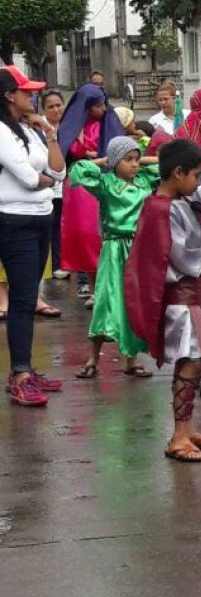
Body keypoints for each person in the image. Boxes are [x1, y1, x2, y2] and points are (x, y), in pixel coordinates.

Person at [124, 139, 201, 462]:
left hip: (190, 296)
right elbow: (182, 258)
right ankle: (179, 435)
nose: (198, 182)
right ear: (178, 172)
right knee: (192, 359)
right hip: (180, 299)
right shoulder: (163, 209)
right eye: (196, 176)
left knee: (193, 359)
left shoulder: (173, 203)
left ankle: (188, 427)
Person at [0, 66, 66, 406]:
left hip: (41, 217)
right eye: (27, 91)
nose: (34, 96)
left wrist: (50, 133)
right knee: (23, 300)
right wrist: (48, 180)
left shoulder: (30, 128)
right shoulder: (0, 130)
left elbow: (59, 170)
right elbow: (28, 178)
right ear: (10, 95)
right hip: (15, 220)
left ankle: (25, 370)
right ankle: (20, 374)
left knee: (28, 295)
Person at [70, 136, 159, 379]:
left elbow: (167, 165)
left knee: (135, 303)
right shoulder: (106, 183)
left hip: (140, 249)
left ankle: (131, 360)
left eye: (136, 159)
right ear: (115, 161)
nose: (134, 165)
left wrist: (142, 158)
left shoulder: (145, 180)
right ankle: (92, 358)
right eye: (127, 160)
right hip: (114, 248)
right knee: (106, 301)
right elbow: (77, 172)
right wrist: (104, 161)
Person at [59, 83, 125, 303]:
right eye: (99, 105)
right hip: (77, 188)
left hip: (101, 184)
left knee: (101, 235)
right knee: (83, 236)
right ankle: (94, 286)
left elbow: (113, 155)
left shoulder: (108, 124)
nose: (105, 109)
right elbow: (66, 154)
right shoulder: (71, 125)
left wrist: (90, 158)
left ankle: (109, 287)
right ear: (87, 107)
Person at [39, 88, 67, 279]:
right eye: (51, 107)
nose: (56, 110)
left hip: (69, 186)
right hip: (50, 187)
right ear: (44, 109)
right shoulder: (38, 128)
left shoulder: (70, 126)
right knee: (54, 228)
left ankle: (67, 262)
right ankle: (55, 265)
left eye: (58, 105)